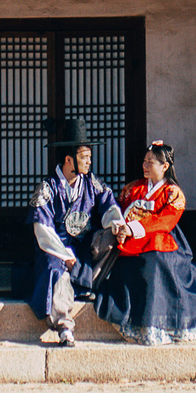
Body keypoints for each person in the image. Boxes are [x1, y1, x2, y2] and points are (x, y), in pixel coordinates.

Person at [96, 141, 196, 345]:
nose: (145, 165)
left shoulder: (173, 193)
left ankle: (160, 324)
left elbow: (165, 221)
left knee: (155, 263)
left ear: (164, 166)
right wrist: (120, 229)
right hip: (130, 241)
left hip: (162, 241)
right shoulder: (132, 189)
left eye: (150, 162)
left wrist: (134, 228)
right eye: (144, 161)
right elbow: (119, 211)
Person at [27, 118, 121, 347]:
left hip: (85, 248)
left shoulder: (92, 184)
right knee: (55, 270)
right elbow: (42, 230)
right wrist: (65, 256)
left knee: (114, 237)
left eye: (90, 156)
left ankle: (88, 284)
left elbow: (109, 206)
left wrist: (117, 224)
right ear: (69, 159)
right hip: (56, 250)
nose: (89, 162)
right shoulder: (47, 188)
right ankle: (64, 327)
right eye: (84, 157)